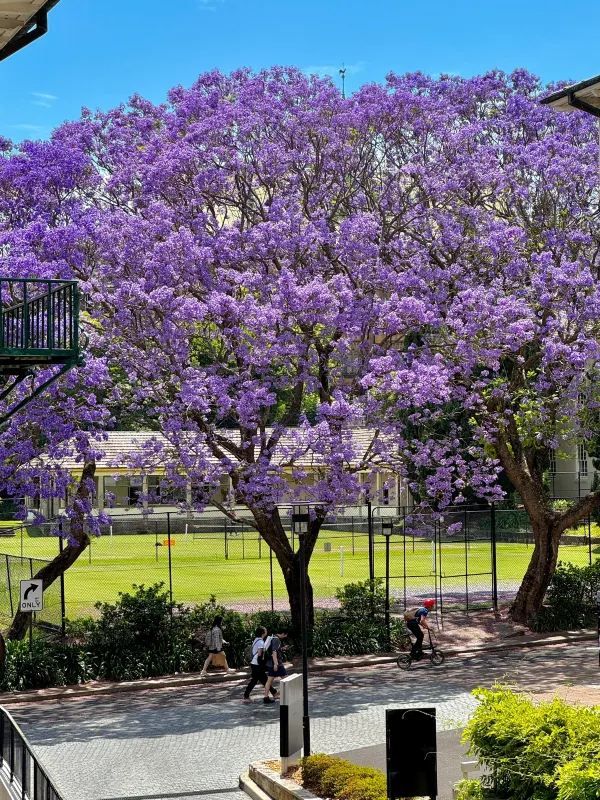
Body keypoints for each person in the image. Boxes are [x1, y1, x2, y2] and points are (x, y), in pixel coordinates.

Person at [242, 626, 279, 703]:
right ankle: (246, 696)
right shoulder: (261, 642)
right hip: (257, 664)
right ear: (263, 632)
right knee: (255, 680)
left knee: (264, 679)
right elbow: (260, 654)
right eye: (265, 630)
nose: (266, 631)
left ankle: (274, 693)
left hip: (254, 663)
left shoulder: (256, 639)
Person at [263, 631, 287, 704]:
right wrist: (276, 664)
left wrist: (282, 649)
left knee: (269, 681)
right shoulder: (276, 639)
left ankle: (266, 697)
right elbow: (274, 652)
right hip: (277, 664)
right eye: (285, 635)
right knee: (287, 680)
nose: (285, 637)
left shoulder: (272, 637)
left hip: (270, 663)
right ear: (283, 633)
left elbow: (274, 650)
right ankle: (277, 694)